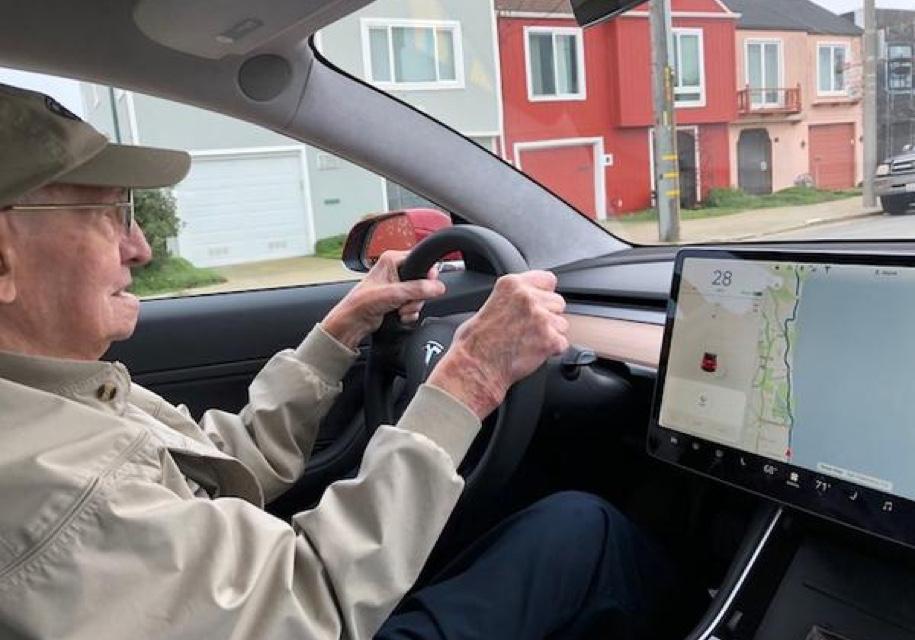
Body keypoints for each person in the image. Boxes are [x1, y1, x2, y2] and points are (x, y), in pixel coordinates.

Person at [0, 83, 682, 640]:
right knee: (580, 533)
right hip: (305, 612)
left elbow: (216, 465)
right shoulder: (52, 487)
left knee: (494, 517)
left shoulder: (60, 399)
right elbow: (309, 602)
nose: (140, 247)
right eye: (108, 212)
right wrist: (470, 377)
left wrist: (340, 330)